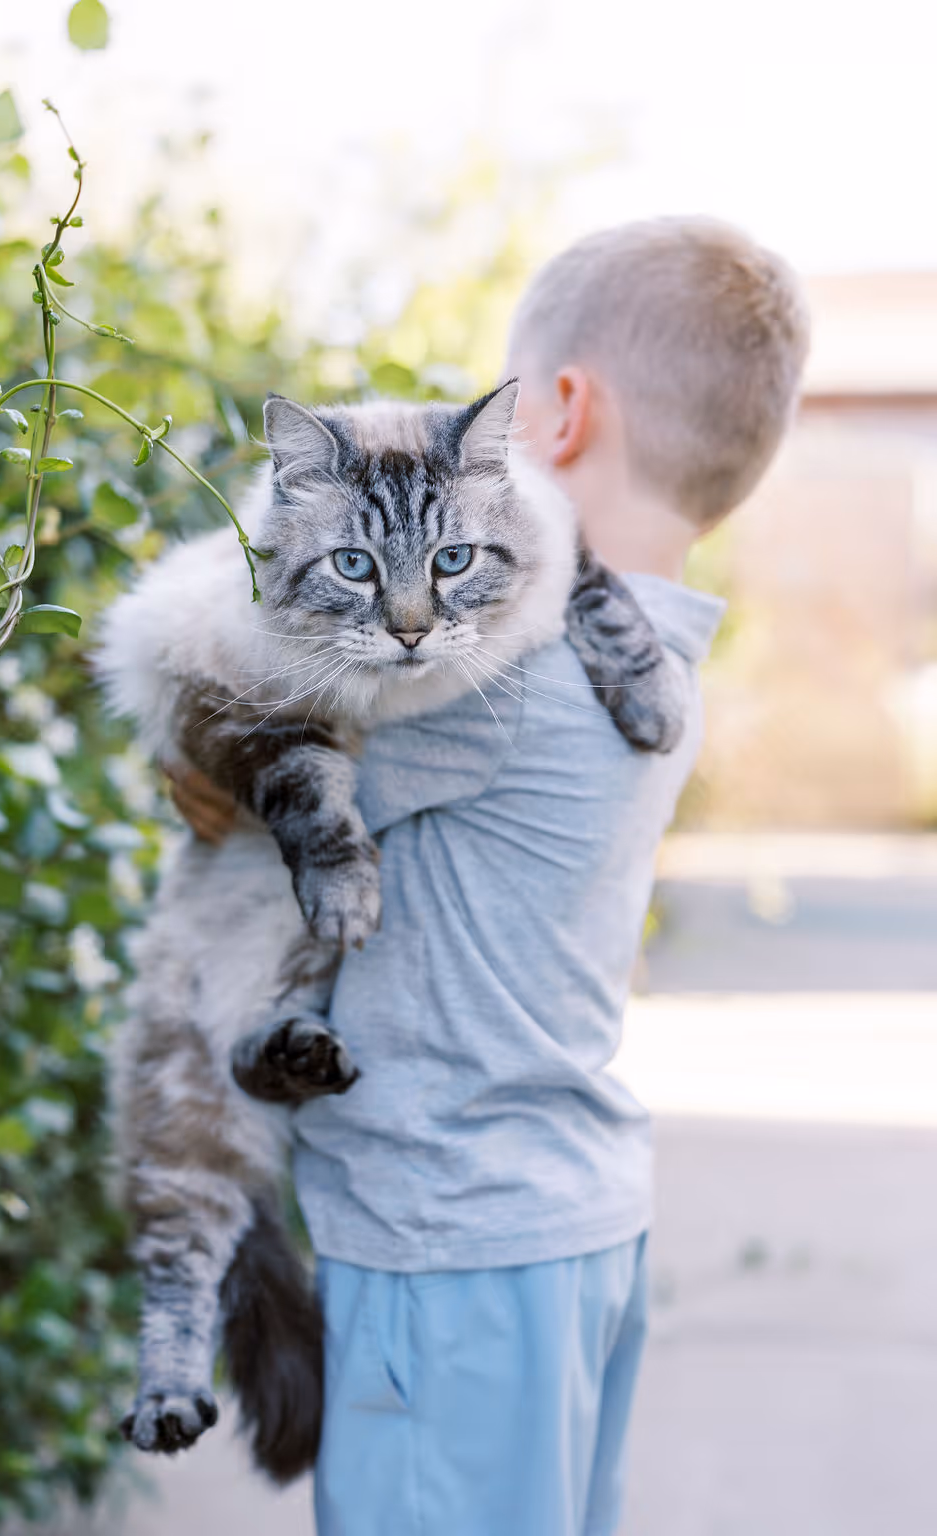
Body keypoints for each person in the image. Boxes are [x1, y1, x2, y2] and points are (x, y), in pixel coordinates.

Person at [168, 217, 809, 1535]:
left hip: (445, 1251)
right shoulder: (661, 665)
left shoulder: (499, 681)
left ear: (561, 414)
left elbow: (219, 783)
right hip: (571, 1223)